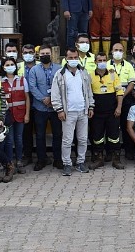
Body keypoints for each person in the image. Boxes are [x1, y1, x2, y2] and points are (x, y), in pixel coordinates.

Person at [51, 48, 95, 176]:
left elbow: (88, 91)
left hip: (83, 111)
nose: (73, 60)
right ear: (66, 58)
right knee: (67, 140)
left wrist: (90, 106)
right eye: (71, 58)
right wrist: (59, 110)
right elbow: (55, 94)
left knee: (82, 139)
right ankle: (67, 164)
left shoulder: (84, 73)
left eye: (76, 57)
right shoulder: (60, 74)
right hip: (68, 112)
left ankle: (81, 162)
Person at [28, 45, 63, 171]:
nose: (45, 55)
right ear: (38, 55)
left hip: (55, 108)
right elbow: (32, 87)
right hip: (40, 108)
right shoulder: (34, 70)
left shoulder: (59, 69)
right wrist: (44, 99)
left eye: (47, 53)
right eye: (42, 53)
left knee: (58, 134)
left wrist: (53, 99)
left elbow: (62, 86)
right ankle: (41, 160)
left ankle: (58, 160)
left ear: (51, 54)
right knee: (40, 135)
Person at [89, 52, 124, 170]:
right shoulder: (90, 76)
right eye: (99, 60)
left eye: (104, 60)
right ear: (95, 62)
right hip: (96, 113)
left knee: (114, 136)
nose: (102, 63)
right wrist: (90, 109)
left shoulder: (113, 74)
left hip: (112, 112)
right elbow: (88, 94)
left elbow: (119, 93)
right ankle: (99, 158)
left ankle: (116, 159)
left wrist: (119, 108)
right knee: (97, 136)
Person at [1, 57, 30, 174]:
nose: (9, 67)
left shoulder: (22, 80)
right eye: (7, 65)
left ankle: (19, 161)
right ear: (3, 67)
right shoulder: (0, 81)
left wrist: (27, 114)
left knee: (19, 139)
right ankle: (9, 162)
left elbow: (27, 98)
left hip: (20, 114)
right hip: (7, 116)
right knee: (9, 140)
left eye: (11, 64)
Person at [110, 43, 135, 161]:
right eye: (116, 50)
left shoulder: (128, 66)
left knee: (127, 126)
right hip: (110, 99)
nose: (118, 52)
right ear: (111, 51)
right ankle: (111, 152)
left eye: (120, 50)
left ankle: (129, 151)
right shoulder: (106, 65)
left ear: (124, 52)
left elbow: (132, 83)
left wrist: (122, 95)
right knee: (111, 127)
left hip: (126, 99)